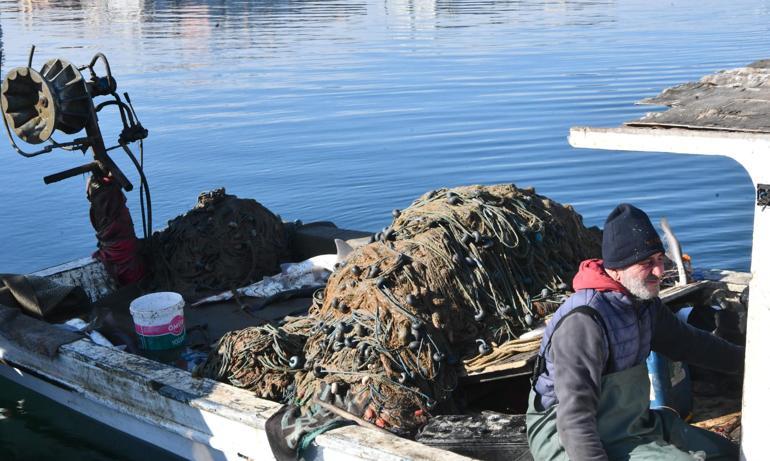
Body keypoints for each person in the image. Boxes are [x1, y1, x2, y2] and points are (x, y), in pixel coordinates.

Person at [526, 203, 744, 461]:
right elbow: (574, 417)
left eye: (660, 260)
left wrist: (751, 363)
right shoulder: (584, 323)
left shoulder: (643, 304)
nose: (660, 272)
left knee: (729, 453)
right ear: (617, 268)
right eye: (646, 263)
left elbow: (692, 344)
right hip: (566, 435)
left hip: (629, 422)